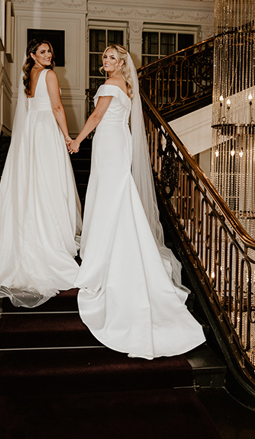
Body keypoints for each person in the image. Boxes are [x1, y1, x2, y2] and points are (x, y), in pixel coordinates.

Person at [68, 45, 205, 359]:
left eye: (112, 58)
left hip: (109, 141)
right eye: (103, 57)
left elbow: (96, 116)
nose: (106, 61)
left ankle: (107, 248)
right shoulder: (127, 87)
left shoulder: (109, 85)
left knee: (109, 193)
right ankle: (119, 239)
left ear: (121, 63)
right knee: (117, 193)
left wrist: (77, 140)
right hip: (118, 141)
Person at [0, 39, 82, 307]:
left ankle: (31, 236)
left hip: (31, 133)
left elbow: (30, 109)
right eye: (42, 51)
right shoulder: (49, 74)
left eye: (49, 51)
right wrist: (67, 136)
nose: (48, 55)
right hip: (45, 133)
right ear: (32, 55)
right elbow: (56, 107)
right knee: (49, 183)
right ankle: (49, 238)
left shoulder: (28, 77)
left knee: (33, 183)